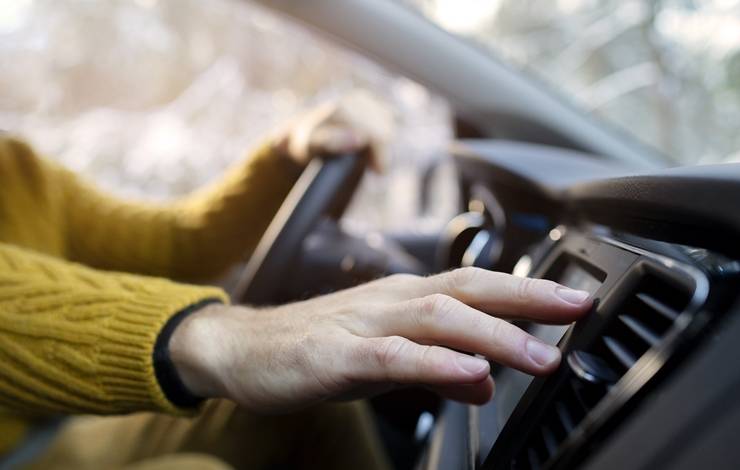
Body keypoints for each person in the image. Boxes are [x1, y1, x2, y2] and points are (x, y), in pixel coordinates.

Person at [0, 94, 592, 470]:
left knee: (311, 407)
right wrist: (224, 339)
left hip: (49, 435)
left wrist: (286, 155)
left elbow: (177, 245)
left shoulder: (14, 169)